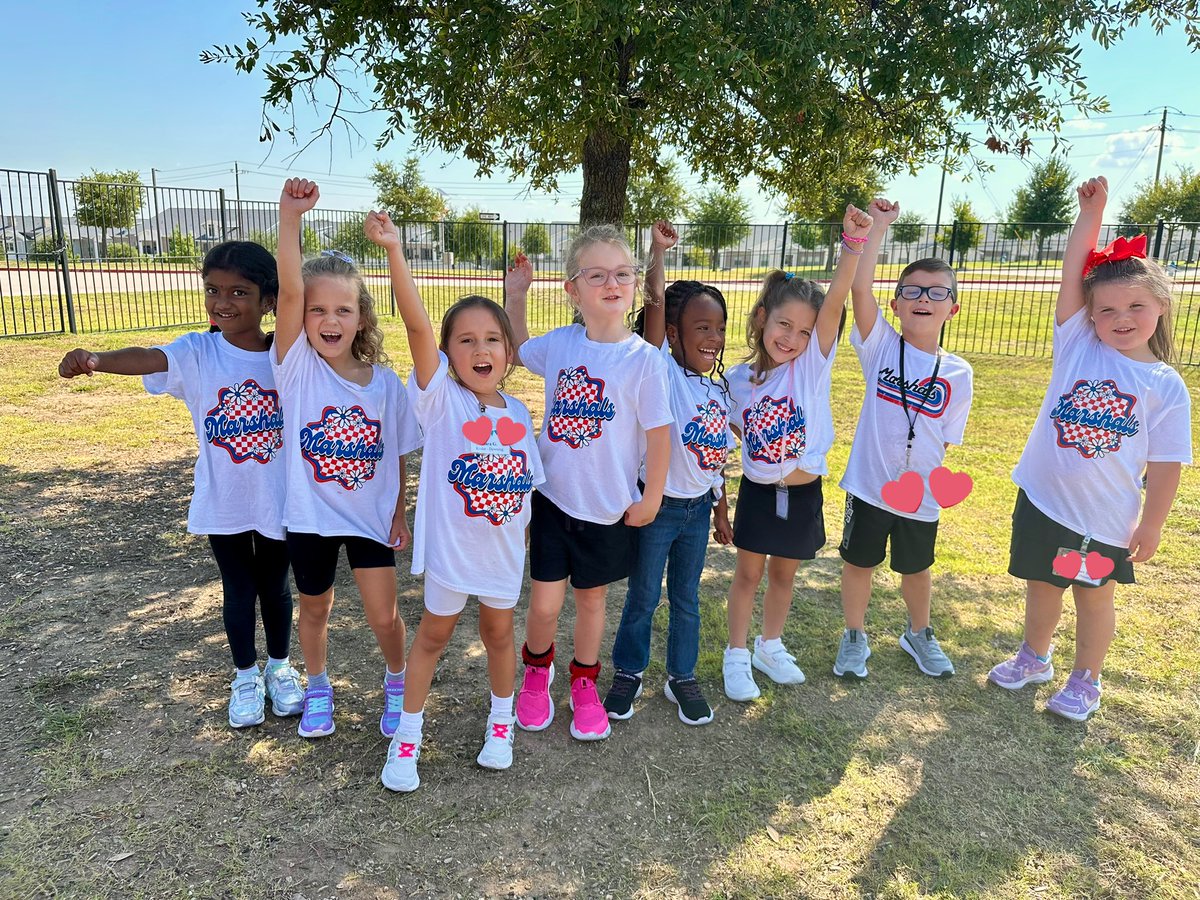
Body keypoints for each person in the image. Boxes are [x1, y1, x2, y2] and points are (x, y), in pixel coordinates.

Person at [58, 240, 302, 729]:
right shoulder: (198, 351)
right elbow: (148, 357)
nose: (223, 303)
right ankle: (245, 675)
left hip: (279, 499)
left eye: (239, 292)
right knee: (237, 589)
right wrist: (97, 359)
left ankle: (279, 667)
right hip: (225, 498)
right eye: (212, 290)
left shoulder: (288, 355)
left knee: (275, 588)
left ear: (268, 300)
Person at [988, 176, 1192, 720]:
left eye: (1135, 306)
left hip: (1103, 518)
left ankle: (1086, 679)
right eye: (1105, 309)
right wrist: (1092, 212)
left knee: (1092, 594)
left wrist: (1152, 524)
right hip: (1043, 500)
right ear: (1089, 313)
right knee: (1042, 583)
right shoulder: (1077, 342)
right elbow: (1073, 267)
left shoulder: (1165, 385)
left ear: (1161, 309)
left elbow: (1168, 463)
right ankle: (1034, 656)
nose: (1119, 318)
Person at [372, 211, 543, 792]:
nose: (481, 348)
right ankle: (409, 736)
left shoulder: (519, 414)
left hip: (499, 557)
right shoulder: (441, 401)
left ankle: (501, 723)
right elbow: (417, 326)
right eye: (465, 340)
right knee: (433, 637)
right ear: (446, 354)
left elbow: (524, 490)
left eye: (492, 339)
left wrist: (520, 542)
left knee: (500, 635)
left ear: (509, 351)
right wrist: (395, 249)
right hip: (450, 553)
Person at [505, 225, 674, 741]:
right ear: (573, 290)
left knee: (593, 602)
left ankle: (584, 683)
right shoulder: (560, 346)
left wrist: (653, 496)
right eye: (596, 274)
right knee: (544, 603)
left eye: (622, 273)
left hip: (609, 508)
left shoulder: (644, 359)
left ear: (636, 284)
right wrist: (516, 296)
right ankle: (536, 674)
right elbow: (516, 350)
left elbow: (660, 434)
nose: (611, 283)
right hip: (554, 501)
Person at [273, 179, 422, 739]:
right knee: (314, 610)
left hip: (370, 519)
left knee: (384, 615)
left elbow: (398, 454)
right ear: (304, 317)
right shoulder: (296, 369)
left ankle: (395, 678)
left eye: (342, 309)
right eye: (317, 310)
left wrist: (400, 512)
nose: (328, 319)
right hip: (310, 517)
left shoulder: (384, 384)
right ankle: (317, 686)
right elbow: (287, 293)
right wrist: (291, 220)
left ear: (361, 318)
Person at [722, 205, 874, 701]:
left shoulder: (810, 368)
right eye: (784, 326)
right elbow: (718, 439)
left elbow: (833, 305)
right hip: (759, 494)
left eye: (805, 332)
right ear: (763, 319)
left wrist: (851, 246)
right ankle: (737, 655)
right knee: (748, 574)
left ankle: (770, 645)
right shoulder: (737, 382)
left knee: (784, 574)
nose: (793, 339)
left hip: (804, 493)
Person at [835, 198, 974, 680]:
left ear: (953, 308)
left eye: (937, 293)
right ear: (896, 304)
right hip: (870, 485)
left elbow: (947, 437)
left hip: (922, 494)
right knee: (860, 564)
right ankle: (854, 636)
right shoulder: (880, 346)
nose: (923, 298)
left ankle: (919, 633)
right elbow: (859, 286)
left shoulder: (959, 372)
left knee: (917, 568)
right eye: (912, 290)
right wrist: (879, 229)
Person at [604, 221, 733, 726]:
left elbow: (716, 456)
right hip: (658, 509)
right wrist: (657, 252)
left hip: (698, 512)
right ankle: (628, 673)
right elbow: (654, 309)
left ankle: (682, 677)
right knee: (642, 597)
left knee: (686, 598)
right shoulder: (660, 368)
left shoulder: (718, 392)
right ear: (676, 336)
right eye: (703, 328)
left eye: (720, 328)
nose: (714, 338)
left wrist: (722, 507)